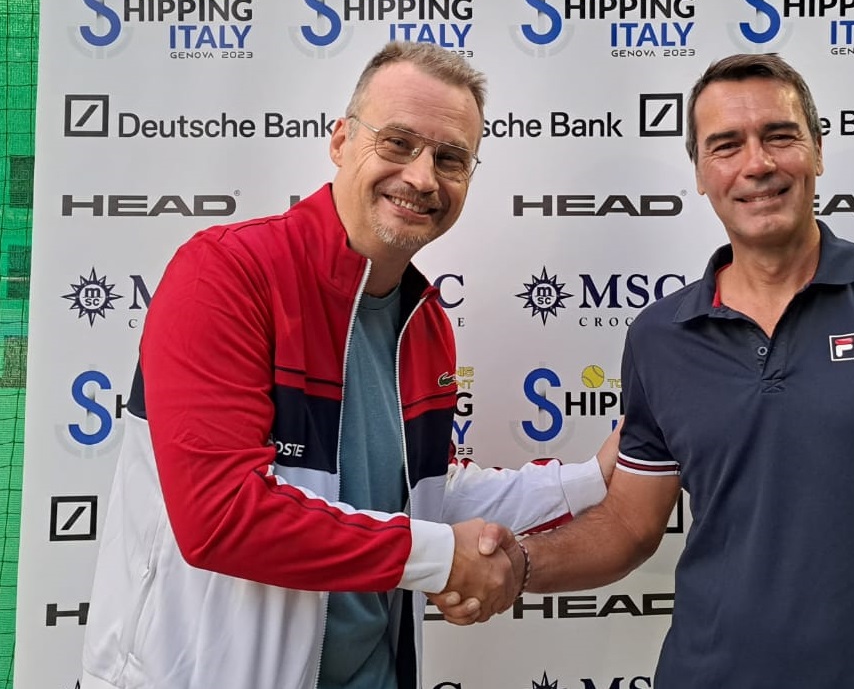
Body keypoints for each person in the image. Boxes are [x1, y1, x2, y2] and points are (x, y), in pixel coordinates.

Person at [440, 53, 854, 688]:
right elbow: (628, 526)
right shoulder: (659, 337)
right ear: (701, 174)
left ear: (817, 151)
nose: (757, 164)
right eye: (726, 145)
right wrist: (519, 564)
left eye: (779, 136)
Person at [80, 41, 616, 689]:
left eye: (450, 158)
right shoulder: (227, 273)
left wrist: (592, 478)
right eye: (398, 143)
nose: (422, 177)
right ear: (340, 141)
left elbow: (419, 494)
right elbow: (222, 516)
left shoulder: (425, 321)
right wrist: (443, 557)